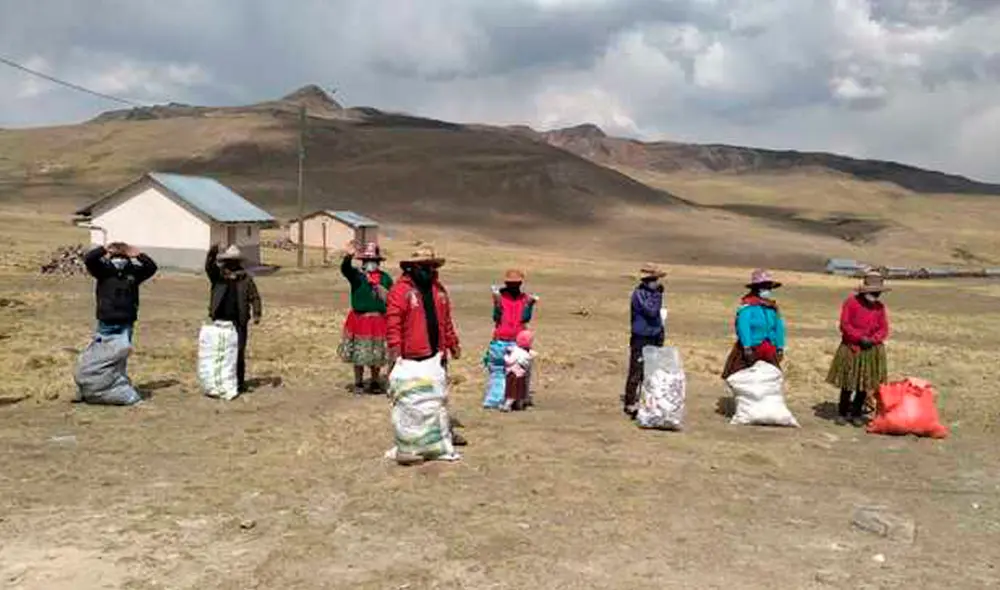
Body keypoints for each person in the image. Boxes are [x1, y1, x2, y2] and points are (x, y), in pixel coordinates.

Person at [386, 245, 465, 446]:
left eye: (431, 267)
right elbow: (393, 322)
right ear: (412, 268)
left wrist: (452, 343)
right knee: (414, 396)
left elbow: (446, 321)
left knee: (439, 395)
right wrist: (395, 350)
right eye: (424, 267)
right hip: (412, 355)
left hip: (437, 352)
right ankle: (415, 435)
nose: (429, 271)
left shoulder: (439, 291)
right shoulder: (401, 291)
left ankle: (443, 431)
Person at [826, 271, 890, 427]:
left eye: (878, 292)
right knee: (848, 383)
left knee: (864, 384)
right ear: (865, 291)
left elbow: (884, 328)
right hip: (852, 347)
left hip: (871, 349)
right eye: (874, 291)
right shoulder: (851, 303)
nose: (877, 294)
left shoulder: (880, 307)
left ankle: (856, 413)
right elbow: (845, 325)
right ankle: (842, 412)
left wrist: (873, 340)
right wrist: (859, 338)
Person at [338, 241, 394, 395]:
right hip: (359, 319)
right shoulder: (357, 276)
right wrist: (348, 256)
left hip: (378, 320)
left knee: (376, 352)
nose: (370, 263)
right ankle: (359, 382)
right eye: (367, 260)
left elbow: (393, 298)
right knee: (359, 352)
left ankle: (375, 381)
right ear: (362, 261)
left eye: (374, 261)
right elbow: (345, 269)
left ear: (378, 262)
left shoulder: (385, 278)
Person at [205, 244, 262, 393]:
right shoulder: (218, 277)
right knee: (220, 352)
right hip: (220, 321)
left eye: (235, 261)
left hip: (239, 321)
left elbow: (255, 297)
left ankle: (238, 383)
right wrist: (212, 253)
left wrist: (257, 313)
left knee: (239, 352)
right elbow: (209, 267)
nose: (232, 264)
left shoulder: (245, 279)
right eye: (229, 261)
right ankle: (219, 381)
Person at [483, 269, 538, 409]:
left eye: (516, 283)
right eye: (512, 283)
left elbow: (523, 318)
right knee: (510, 371)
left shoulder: (522, 298)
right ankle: (512, 399)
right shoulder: (503, 298)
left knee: (502, 371)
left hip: (511, 340)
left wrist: (530, 305)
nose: (514, 286)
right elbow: (498, 317)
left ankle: (497, 399)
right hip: (508, 340)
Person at [83, 241, 158, 343]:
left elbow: (151, 267)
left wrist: (139, 255)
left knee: (122, 351)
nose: (120, 260)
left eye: (122, 257)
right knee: (102, 351)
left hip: (126, 319)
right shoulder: (103, 271)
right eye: (117, 257)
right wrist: (104, 249)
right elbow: (89, 260)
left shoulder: (134, 272)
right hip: (106, 319)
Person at [721, 269, 786, 379]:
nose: (768, 290)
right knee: (740, 376)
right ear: (756, 289)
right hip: (751, 348)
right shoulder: (747, 307)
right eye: (765, 287)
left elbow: (779, 327)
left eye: (769, 288)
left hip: (770, 348)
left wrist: (780, 347)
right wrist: (747, 346)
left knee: (772, 376)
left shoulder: (772, 308)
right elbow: (743, 326)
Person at [624, 264, 667, 419]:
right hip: (641, 336)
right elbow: (651, 311)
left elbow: (657, 317)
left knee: (652, 371)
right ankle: (630, 402)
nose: (659, 283)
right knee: (636, 370)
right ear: (649, 280)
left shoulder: (654, 293)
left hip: (654, 334)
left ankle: (648, 400)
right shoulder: (640, 294)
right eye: (656, 280)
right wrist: (657, 295)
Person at [502, 329, 537, 412]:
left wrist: (505, 356)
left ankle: (507, 406)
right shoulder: (526, 354)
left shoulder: (516, 352)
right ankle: (519, 405)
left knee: (511, 392)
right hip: (521, 375)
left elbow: (510, 361)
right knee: (520, 391)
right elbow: (528, 362)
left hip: (512, 375)